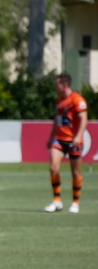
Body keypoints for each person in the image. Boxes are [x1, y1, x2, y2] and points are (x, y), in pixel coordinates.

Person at [44, 72, 88, 214]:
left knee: (75, 172)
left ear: (64, 84)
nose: (54, 87)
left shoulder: (77, 100)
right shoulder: (59, 101)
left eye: (56, 84)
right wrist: (51, 137)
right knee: (53, 168)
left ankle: (75, 202)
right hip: (59, 139)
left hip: (73, 140)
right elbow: (56, 121)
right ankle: (57, 201)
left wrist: (78, 136)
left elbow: (83, 118)